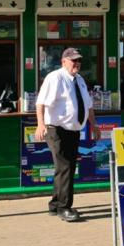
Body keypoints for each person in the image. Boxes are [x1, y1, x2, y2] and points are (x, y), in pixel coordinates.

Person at [35, 48, 100, 222]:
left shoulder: (79, 79)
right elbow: (40, 102)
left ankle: (55, 205)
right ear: (63, 61)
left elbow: (88, 105)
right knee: (66, 167)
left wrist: (94, 125)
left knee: (65, 168)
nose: (77, 63)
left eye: (79, 60)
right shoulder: (55, 77)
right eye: (73, 60)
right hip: (56, 129)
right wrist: (40, 124)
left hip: (73, 130)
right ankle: (64, 207)